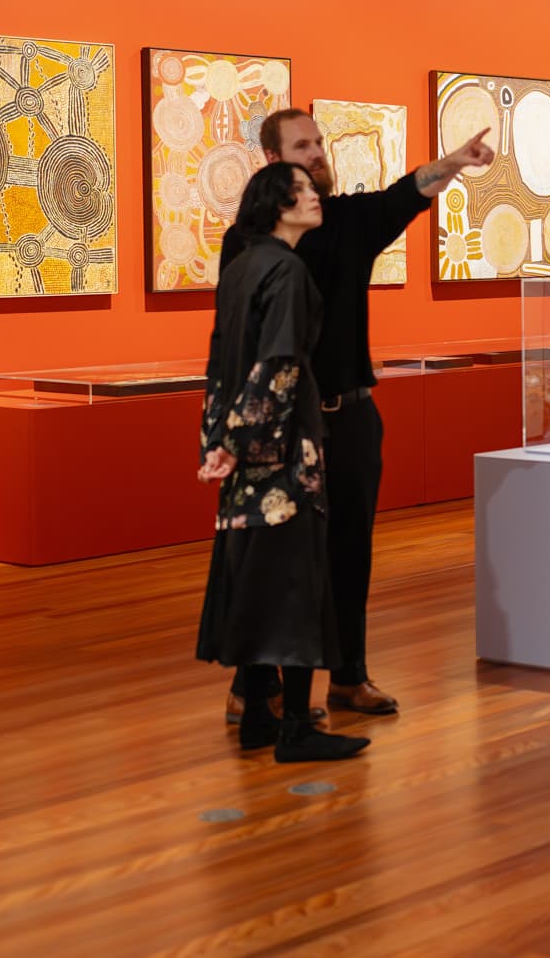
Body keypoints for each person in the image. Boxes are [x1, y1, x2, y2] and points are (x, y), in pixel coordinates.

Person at [218, 110, 493, 722]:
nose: (317, 154)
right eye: (302, 145)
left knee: (349, 551)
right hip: (288, 425)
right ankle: (254, 688)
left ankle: (348, 678)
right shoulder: (249, 245)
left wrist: (454, 160)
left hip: (351, 416)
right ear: (274, 160)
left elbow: (403, 194)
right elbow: (237, 340)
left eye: (319, 143)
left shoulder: (346, 222)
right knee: (277, 557)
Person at [196, 163, 370, 763]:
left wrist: (218, 442)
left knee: (254, 580)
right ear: (278, 202)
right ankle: (295, 724)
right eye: (305, 190)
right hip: (285, 450)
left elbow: (219, 363)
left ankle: (256, 722)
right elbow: (279, 366)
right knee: (298, 583)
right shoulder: (288, 271)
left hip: (244, 451)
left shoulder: (242, 266)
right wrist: (249, 442)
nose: (316, 197)